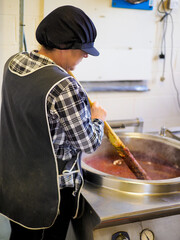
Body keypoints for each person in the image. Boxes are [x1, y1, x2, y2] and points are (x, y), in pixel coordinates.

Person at [0, 5, 106, 240]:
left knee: (20, 236)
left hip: (13, 180)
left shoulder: (15, 63)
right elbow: (88, 143)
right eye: (82, 49)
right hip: (48, 193)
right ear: (63, 46)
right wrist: (97, 117)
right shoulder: (65, 85)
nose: (86, 55)